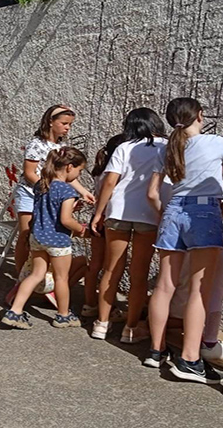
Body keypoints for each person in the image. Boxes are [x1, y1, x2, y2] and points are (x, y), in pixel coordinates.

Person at [145, 97, 223, 381]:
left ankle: (155, 352)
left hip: (173, 210)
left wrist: (164, 217)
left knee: (165, 284)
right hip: (204, 211)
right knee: (200, 288)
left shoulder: (169, 148)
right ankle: (189, 358)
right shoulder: (212, 142)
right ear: (199, 116)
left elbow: (153, 194)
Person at [90, 108, 169, 343]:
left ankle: (101, 324)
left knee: (111, 269)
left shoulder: (125, 147)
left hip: (120, 209)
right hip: (150, 213)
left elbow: (110, 181)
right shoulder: (166, 146)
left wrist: (99, 213)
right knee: (139, 273)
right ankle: (131, 328)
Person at [168, 156, 223, 361]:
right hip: (219, 236)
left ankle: (196, 339)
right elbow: (219, 213)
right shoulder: (215, 185)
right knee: (214, 290)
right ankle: (208, 342)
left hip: (198, 237)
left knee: (195, 289)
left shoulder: (195, 182)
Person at [1, 147, 88, 329]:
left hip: (37, 238)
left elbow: (48, 210)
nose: (78, 175)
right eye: (79, 171)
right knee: (61, 278)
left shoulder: (41, 185)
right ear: (69, 167)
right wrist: (81, 230)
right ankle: (63, 315)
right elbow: (65, 220)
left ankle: (15, 311)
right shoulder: (67, 191)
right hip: (57, 241)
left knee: (36, 274)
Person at [13, 105, 94, 280]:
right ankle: (20, 277)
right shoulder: (36, 144)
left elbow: (68, 175)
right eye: (64, 123)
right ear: (51, 122)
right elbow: (29, 172)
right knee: (27, 234)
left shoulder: (62, 146)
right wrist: (46, 188)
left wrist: (84, 191)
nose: (67, 128)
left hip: (48, 195)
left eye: (70, 124)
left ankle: (40, 275)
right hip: (30, 193)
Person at [81, 133, 126, 319]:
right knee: (111, 268)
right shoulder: (115, 174)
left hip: (96, 220)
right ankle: (108, 308)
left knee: (95, 265)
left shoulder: (100, 171)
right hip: (111, 220)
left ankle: (89, 304)